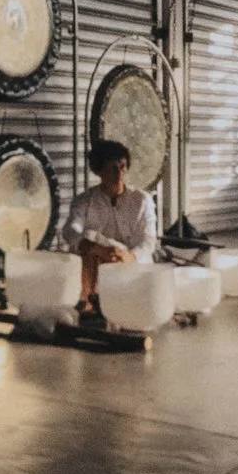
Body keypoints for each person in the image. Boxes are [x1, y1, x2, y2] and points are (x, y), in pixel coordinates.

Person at [63, 138, 156, 330]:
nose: (119, 173)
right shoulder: (85, 200)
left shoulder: (142, 200)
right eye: (113, 168)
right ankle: (88, 307)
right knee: (88, 241)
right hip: (97, 265)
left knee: (114, 254)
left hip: (132, 265)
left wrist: (129, 256)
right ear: (99, 171)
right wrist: (97, 248)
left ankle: (111, 307)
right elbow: (70, 231)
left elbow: (148, 241)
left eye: (122, 166)